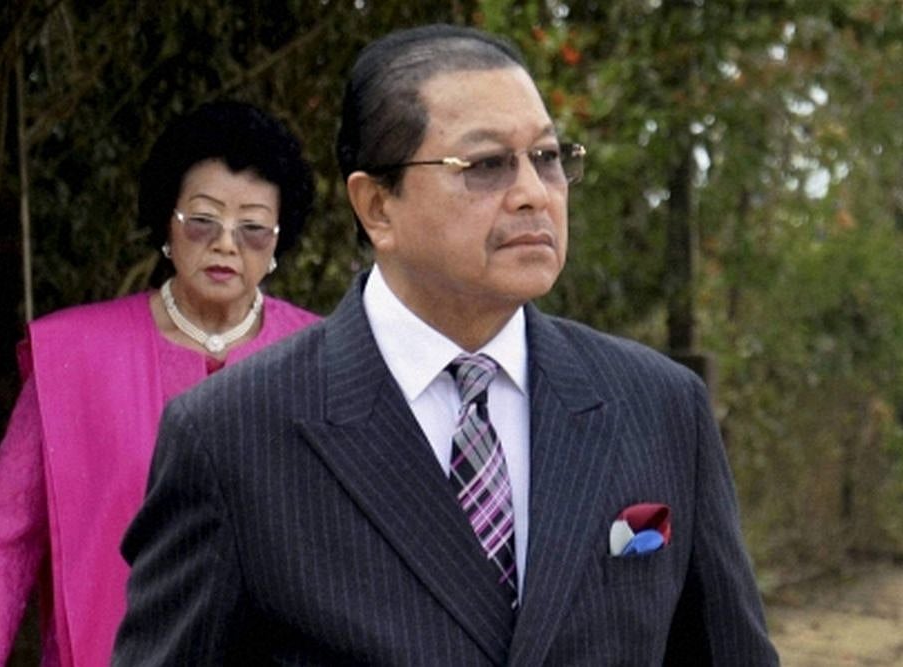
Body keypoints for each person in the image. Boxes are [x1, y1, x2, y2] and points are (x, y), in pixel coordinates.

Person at [113, 25, 779, 665]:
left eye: (547, 158)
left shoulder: (659, 408)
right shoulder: (234, 437)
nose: (533, 194)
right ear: (377, 207)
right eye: (486, 165)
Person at [0, 100, 319, 666]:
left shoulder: (325, 361)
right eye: (203, 220)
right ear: (167, 221)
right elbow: (0, 546)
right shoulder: (73, 357)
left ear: (279, 240)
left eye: (254, 228)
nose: (225, 243)